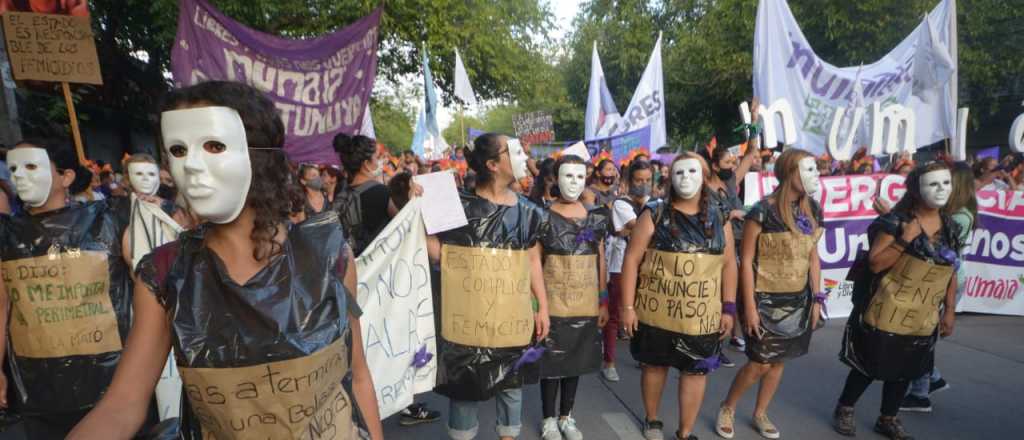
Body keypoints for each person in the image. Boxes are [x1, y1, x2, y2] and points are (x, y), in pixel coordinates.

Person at [66, 81, 383, 439]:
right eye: (178, 150)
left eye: (214, 146)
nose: (193, 166)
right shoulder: (165, 275)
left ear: (259, 154)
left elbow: (357, 378)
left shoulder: (329, 257)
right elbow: (122, 406)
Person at [0, 138, 140, 439]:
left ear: (66, 177)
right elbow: (1, 306)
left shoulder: (109, 220)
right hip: (38, 390)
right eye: (13, 168)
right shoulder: (6, 235)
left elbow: (146, 284)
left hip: (112, 384)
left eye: (31, 166)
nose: (19, 176)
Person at [425, 133, 550, 440]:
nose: (524, 157)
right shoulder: (457, 207)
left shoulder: (529, 212)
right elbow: (442, 253)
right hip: (466, 326)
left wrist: (542, 307)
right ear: (494, 164)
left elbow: (532, 262)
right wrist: (417, 210)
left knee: (511, 388)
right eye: (516, 151)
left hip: (512, 322)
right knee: (465, 389)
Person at [833, 161, 960, 440]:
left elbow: (951, 271)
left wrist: (949, 310)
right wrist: (905, 240)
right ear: (916, 189)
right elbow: (876, 263)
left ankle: (887, 418)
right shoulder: (896, 222)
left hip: (923, 311)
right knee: (869, 364)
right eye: (934, 183)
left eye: (946, 183)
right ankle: (845, 408)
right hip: (886, 306)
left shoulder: (950, 226)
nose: (941, 189)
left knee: (908, 366)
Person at [620, 153, 738, 440]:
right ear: (670, 178)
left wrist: (729, 307)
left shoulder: (718, 217)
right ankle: (652, 419)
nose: (685, 178)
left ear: (704, 176)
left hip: (699, 315)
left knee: (696, 371)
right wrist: (627, 307)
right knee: (655, 365)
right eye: (679, 173)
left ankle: (685, 432)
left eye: (692, 172)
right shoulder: (655, 213)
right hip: (656, 311)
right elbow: (632, 259)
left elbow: (729, 263)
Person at [716, 148, 824, 440]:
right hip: (763, 299)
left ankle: (760, 412)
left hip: (798, 299)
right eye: (809, 169)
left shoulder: (813, 209)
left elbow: (813, 257)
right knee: (759, 362)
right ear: (790, 172)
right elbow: (747, 262)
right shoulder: (762, 211)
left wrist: (817, 298)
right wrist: (749, 307)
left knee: (779, 361)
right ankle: (728, 407)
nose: (816, 175)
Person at [334, 133, 439, 426]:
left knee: (360, 344)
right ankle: (400, 401)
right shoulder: (377, 194)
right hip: (381, 280)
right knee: (391, 339)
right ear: (368, 162)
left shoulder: (341, 194)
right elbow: (403, 220)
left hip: (350, 275)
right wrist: (413, 201)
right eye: (378, 158)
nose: (381, 162)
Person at [538, 155, 610, 440]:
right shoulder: (542, 216)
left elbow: (600, 258)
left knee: (575, 360)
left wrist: (603, 298)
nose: (574, 182)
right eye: (568, 176)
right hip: (553, 304)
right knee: (551, 362)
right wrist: (536, 305)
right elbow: (535, 262)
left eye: (580, 177)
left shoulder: (595, 217)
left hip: (584, 303)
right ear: (555, 179)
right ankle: (548, 419)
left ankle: (567, 416)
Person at [899, 161, 976, 413]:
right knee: (918, 335)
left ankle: (921, 392)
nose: (940, 187)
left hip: (945, 277)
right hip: (934, 276)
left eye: (946, 181)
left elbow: (936, 247)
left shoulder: (958, 217)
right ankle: (931, 378)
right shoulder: (952, 213)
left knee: (922, 337)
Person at [603, 160, 654, 382]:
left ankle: (643, 355)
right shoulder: (621, 204)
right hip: (620, 264)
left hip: (648, 265)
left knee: (644, 313)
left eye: (647, 180)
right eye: (638, 180)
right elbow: (643, 227)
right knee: (616, 314)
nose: (643, 185)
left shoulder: (655, 203)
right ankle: (609, 362)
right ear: (628, 181)